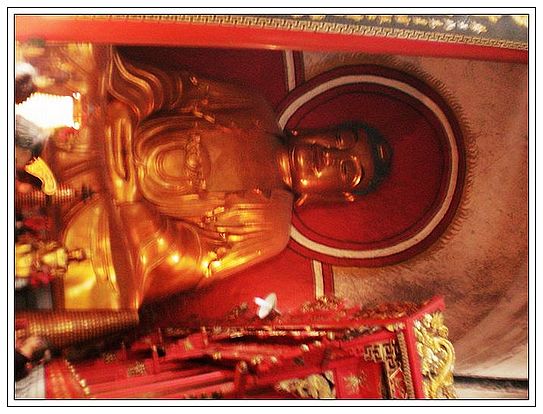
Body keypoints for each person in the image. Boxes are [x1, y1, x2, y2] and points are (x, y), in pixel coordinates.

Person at [16, 45, 391, 346]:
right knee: (84, 52)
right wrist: (131, 106)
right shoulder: (254, 107)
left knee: (108, 309)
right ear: (318, 129)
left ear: (337, 195)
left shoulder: (272, 228)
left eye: (345, 169)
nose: (329, 154)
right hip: (105, 131)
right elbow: (174, 88)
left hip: (111, 217)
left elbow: (190, 259)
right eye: (339, 139)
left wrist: (133, 204)